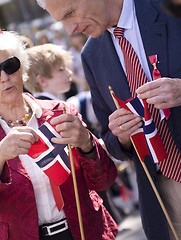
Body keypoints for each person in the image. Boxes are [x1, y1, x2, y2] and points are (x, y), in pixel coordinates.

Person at [35, 0, 181, 240]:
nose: (69, 29)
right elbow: (111, 141)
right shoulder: (92, 55)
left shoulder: (171, 8)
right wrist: (122, 136)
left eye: (70, 13)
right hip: (162, 190)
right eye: (61, 20)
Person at [0, 30, 118, 240]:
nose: (4, 77)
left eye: (9, 66)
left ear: (22, 67)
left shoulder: (61, 111)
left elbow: (104, 180)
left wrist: (87, 143)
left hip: (85, 232)